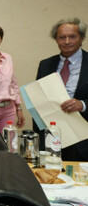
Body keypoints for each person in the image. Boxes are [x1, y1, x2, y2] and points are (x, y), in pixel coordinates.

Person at [36, 17, 88, 161]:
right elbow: (38, 101)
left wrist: (82, 105)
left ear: (81, 38)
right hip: (50, 137)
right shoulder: (45, 65)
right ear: (56, 40)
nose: (66, 41)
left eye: (72, 37)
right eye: (62, 37)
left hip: (82, 140)